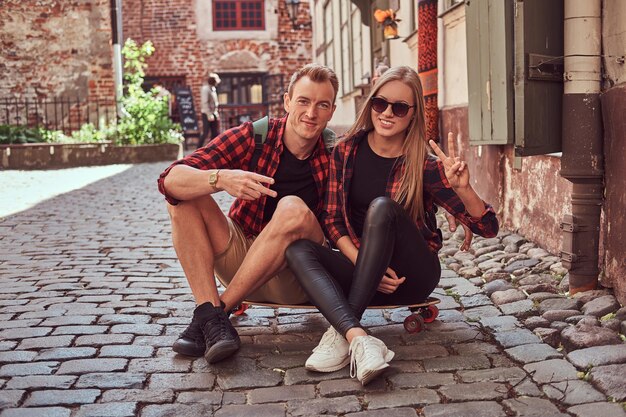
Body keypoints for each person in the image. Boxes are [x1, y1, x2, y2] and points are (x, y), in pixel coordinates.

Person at [285, 66, 499, 385]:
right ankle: (358, 339)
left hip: (410, 277)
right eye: (380, 103)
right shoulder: (346, 150)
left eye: (399, 108)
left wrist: (464, 189)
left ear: (412, 115)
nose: (387, 113)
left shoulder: (423, 163)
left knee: (382, 208)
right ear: (371, 104)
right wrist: (363, 264)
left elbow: (487, 227)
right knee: (298, 249)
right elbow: (331, 220)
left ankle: (340, 333)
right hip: (364, 275)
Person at [157, 64, 338, 364]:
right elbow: (170, 179)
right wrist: (221, 178)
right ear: (287, 101)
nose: (311, 112)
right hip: (242, 257)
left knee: (291, 207)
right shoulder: (256, 136)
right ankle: (210, 311)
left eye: (322, 105)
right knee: (184, 197)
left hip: (297, 273)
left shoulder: (336, 153)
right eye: (304, 101)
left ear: (331, 111)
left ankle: (214, 315)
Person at [200, 72, 221, 148]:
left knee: (215, 133)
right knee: (205, 133)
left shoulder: (213, 89)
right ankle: (198, 148)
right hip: (207, 114)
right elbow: (205, 103)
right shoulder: (205, 89)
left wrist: (216, 113)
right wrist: (209, 114)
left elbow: (214, 103)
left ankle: (211, 148)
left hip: (213, 114)